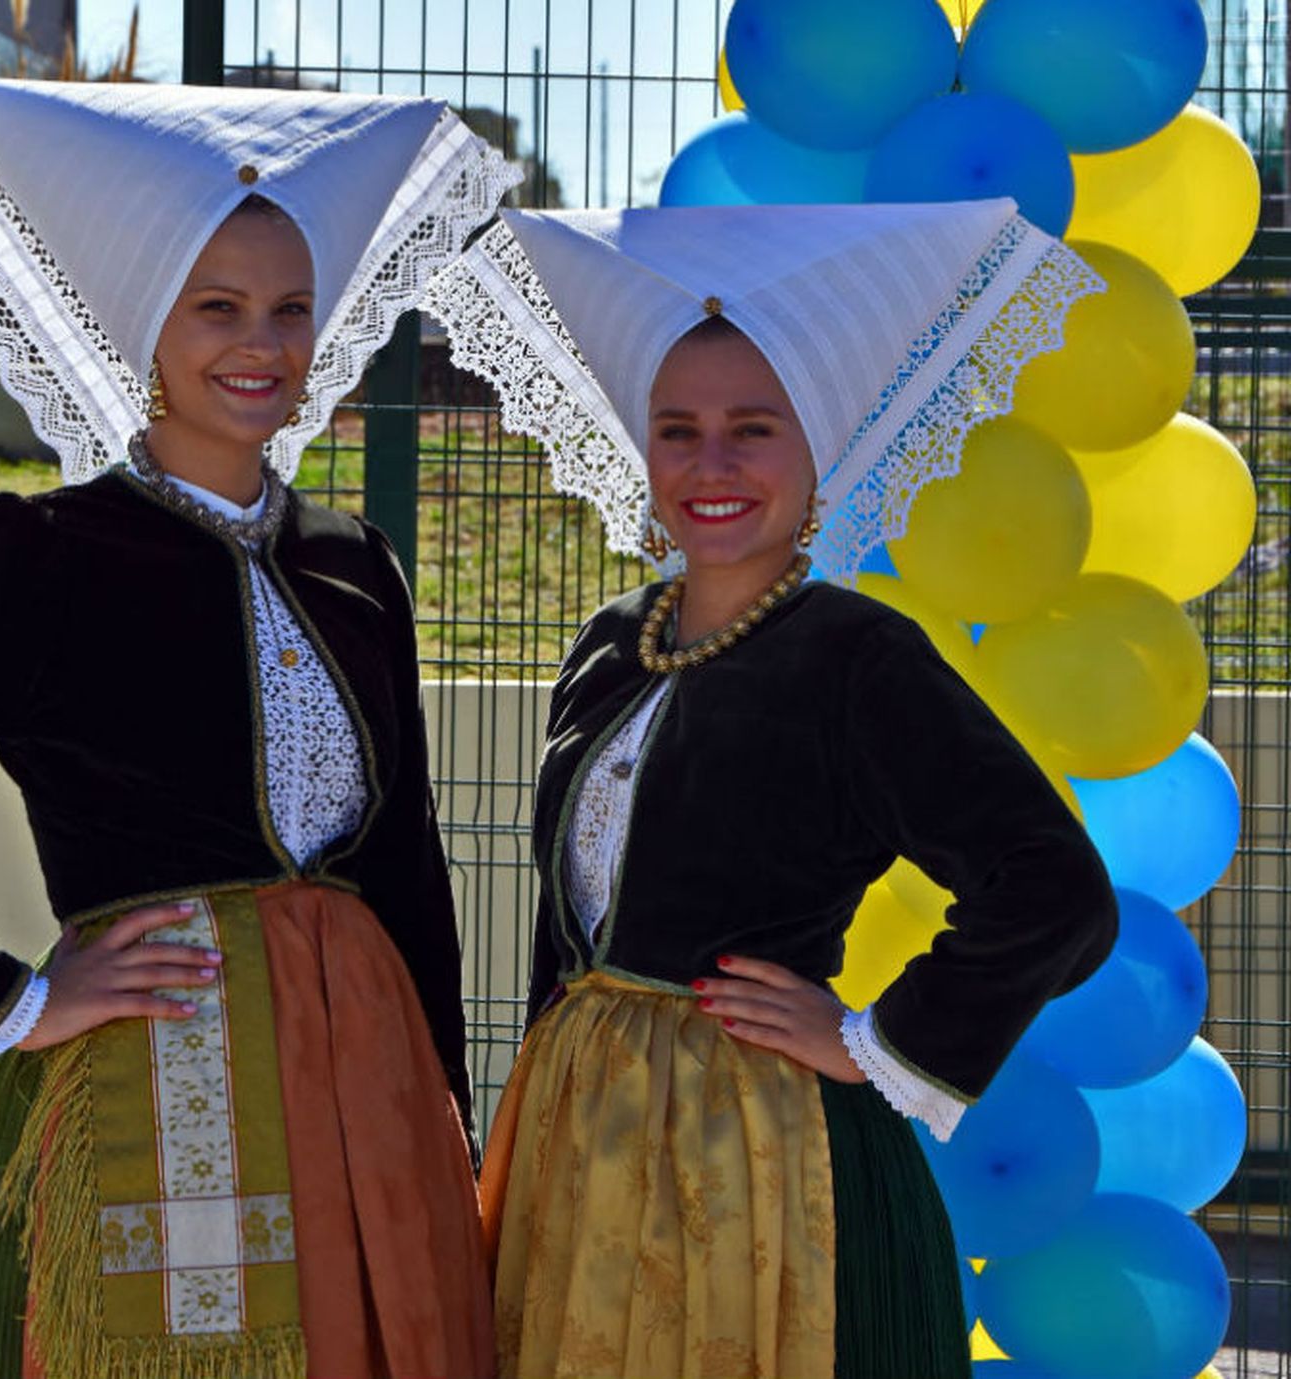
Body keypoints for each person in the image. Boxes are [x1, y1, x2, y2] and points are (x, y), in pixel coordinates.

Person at [0, 76, 516, 1379]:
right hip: (158, 1088)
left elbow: (404, 868)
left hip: (370, 1100)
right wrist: (8, 1000)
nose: (262, 341)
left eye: (290, 308)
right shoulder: (40, 559)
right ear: (140, 318)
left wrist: (447, 1113)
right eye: (217, 305)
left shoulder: (355, 564)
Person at [423, 203, 1120, 1377]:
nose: (713, 465)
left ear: (820, 448)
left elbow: (1056, 889)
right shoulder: (611, 643)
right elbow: (572, 924)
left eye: (754, 428)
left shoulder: (855, 654)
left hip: (750, 1149)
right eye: (679, 430)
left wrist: (874, 1040)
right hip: (576, 1134)